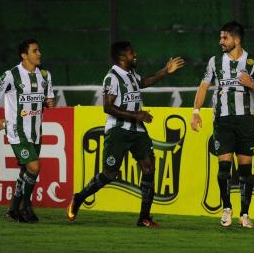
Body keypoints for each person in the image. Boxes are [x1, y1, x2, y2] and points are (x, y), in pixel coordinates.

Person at [66, 41, 184, 227]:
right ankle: (79, 198)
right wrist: (137, 114)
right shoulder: (112, 77)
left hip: (137, 130)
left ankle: (144, 217)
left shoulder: (131, 74)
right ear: (122, 57)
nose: (135, 55)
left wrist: (164, 71)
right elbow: (108, 106)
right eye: (131, 53)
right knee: (109, 174)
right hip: (118, 131)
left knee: (149, 168)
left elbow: (143, 82)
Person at [191, 21, 254, 228]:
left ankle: (245, 214)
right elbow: (203, 87)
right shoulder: (215, 62)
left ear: (237, 39)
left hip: (245, 121)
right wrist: (196, 111)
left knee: (245, 170)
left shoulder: (253, 63)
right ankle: (227, 209)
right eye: (221, 38)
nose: (221, 42)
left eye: (224, 38)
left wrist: (251, 84)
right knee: (224, 168)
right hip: (222, 120)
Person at [0, 39, 55, 223]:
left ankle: (12, 210)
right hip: (17, 130)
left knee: (25, 171)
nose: (39, 53)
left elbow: (48, 100)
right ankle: (26, 207)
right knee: (34, 167)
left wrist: (49, 103)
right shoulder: (11, 75)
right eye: (35, 51)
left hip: (35, 130)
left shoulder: (45, 75)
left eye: (39, 50)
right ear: (24, 55)